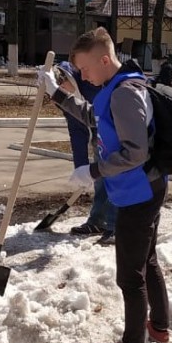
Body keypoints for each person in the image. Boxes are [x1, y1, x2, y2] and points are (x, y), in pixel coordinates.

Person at [38, 27, 171, 343]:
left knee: (130, 275)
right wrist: (57, 94)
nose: (82, 77)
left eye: (84, 69)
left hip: (138, 193)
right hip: (143, 188)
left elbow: (135, 152)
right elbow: (92, 116)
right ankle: (159, 327)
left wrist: (94, 171)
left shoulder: (125, 94)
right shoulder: (113, 88)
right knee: (147, 260)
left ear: (104, 60)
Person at [55, 61, 116, 243]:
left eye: (61, 85)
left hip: (117, 134)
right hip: (100, 135)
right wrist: (81, 168)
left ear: (67, 78)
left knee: (115, 179)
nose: (61, 90)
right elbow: (77, 131)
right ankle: (98, 221)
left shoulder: (91, 83)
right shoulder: (65, 98)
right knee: (100, 180)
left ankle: (116, 226)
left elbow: (107, 112)